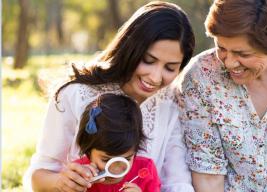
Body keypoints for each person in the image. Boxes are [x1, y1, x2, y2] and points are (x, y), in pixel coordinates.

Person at [23, 1, 195, 191]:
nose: (155, 77)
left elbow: (177, 183)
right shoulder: (75, 95)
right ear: (130, 48)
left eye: (170, 68)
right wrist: (60, 182)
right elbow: (39, 176)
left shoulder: (171, 104)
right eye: (148, 60)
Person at [174, 0, 267, 191]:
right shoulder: (201, 78)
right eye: (221, 48)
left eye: (243, 53)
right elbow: (208, 173)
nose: (230, 63)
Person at [74, 93, 160, 192]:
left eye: (127, 159)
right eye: (106, 160)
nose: (116, 169)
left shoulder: (146, 169)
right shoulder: (78, 174)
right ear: (88, 151)